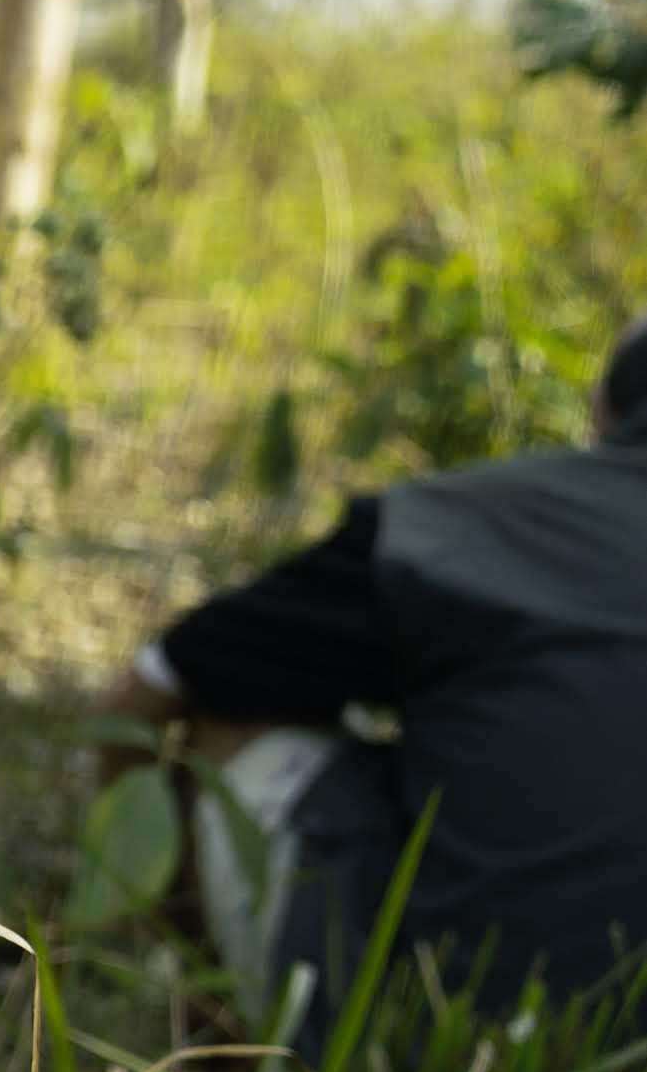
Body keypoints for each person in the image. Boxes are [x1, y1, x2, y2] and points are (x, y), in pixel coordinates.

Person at [107, 313, 647, 1022]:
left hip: (466, 1057)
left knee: (223, 709)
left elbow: (153, 688)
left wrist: (109, 898)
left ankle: (226, 1028)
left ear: (599, 414)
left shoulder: (466, 524)